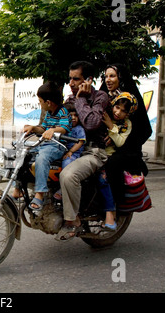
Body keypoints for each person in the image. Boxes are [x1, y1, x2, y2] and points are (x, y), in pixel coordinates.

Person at [56, 61, 110, 241]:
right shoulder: (69, 100)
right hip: (71, 148)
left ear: (88, 80)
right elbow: (60, 121)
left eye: (76, 79)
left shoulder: (100, 97)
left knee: (68, 175)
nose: (71, 83)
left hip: (93, 151)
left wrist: (80, 99)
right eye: (70, 79)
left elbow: (92, 123)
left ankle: (73, 221)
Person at [12, 81, 71, 212]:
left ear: (48, 102)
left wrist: (54, 130)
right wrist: (33, 128)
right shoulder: (49, 113)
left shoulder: (63, 112)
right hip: (44, 144)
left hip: (57, 146)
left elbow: (65, 127)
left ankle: (40, 194)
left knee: (42, 158)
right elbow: (43, 128)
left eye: (40, 101)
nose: (40, 104)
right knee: (22, 153)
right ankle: (18, 188)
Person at [100, 63, 152, 176]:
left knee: (113, 164)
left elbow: (144, 129)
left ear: (121, 77)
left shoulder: (130, 100)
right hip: (102, 147)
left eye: (112, 76)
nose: (108, 80)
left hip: (127, 150)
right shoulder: (103, 97)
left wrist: (116, 137)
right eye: (106, 76)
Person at [100, 92, 138, 231]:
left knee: (103, 180)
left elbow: (120, 142)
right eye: (117, 107)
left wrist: (111, 127)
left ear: (128, 114)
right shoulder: (104, 113)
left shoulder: (127, 124)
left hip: (109, 157)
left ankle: (111, 211)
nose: (118, 112)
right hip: (94, 152)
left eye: (123, 111)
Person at [53, 102, 86, 200]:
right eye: (70, 115)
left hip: (74, 154)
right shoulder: (64, 129)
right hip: (63, 151)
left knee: (67, 165)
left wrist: (71, 151)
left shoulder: (79, 129)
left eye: (76, 115)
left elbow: (80, 142)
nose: (74, 118)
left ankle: (63, 190)